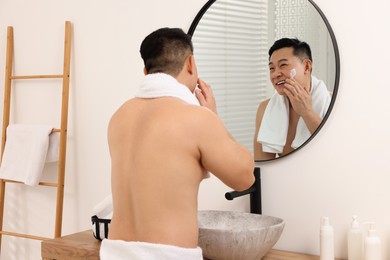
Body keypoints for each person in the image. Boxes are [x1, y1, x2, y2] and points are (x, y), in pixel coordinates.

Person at [100, 27, 255, 259]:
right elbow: (244, 178)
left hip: (115, 252)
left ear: (146, 72)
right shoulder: (196, 119)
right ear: (191, 63)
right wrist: (212, 117)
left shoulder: (119, 116)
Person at [254, 38, 331, 160]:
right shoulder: (265, 109)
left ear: (306, 66)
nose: (275, 74)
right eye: (271, 68)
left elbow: (335, 152)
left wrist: (307, 112)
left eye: (283, 65)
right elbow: (262, 166)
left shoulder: (333, 102)